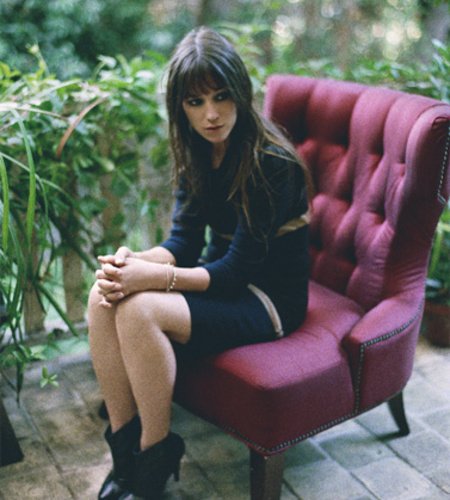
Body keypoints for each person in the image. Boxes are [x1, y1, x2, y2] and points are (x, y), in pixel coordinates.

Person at [88, 26, 312, 500]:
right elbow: (184, 242)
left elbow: (235, 273)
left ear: (240, 92)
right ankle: (124, 458)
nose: (211, 114)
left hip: (268, 299)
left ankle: (153, 458)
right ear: (181, 108)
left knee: (139, 309)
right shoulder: (198, 150)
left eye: (221, 96)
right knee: (102, 295)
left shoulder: (271, 161)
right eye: (195, 102)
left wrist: (153, 278)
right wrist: (131, 263)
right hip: (222, 280)